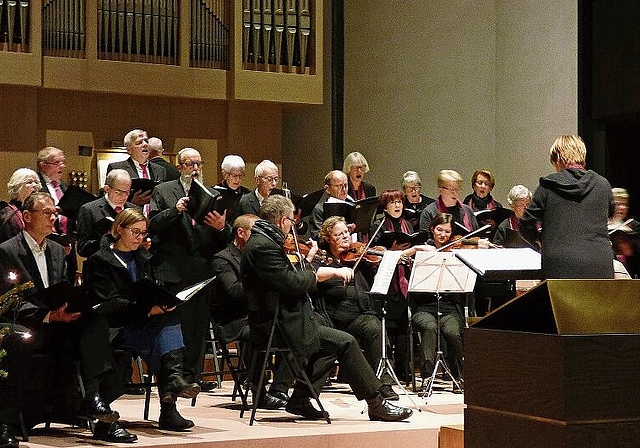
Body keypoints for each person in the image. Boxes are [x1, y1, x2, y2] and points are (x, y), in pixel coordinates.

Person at [241, 194, 412, 422]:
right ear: (283, 220)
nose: (292, 226)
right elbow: (291, 282)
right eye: (291, 221)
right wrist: (317, 273)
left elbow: (286, 279)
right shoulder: (264, 246)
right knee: (345, 342)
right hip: (276, 324)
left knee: (331, 344)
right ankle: (376, 403)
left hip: (283, 319)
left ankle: (300, 399)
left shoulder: (264, 242)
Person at [0, 192, 134, 443]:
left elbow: (63, 287)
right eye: (47, 213)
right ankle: (5, 422)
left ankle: (95, 401)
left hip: (59, 320)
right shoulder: (7, 251)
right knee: (17, 341)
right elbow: (9, 300)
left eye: (55, 213)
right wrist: (47, 315)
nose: (54, 218)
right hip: (29, 322)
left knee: (97, 324)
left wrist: (70, 307)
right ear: (27, 217)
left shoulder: (57, 250)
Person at [84, 208, 200, 431]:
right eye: (135, 232)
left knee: (169, 318)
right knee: (165, 327)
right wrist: (146, 311)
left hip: (142, 323)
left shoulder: (144, 258)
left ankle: (171, 395)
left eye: (143, 234)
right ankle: (170, 398)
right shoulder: (100, 260)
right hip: (115, 326)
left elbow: (151, 290)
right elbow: (106, 303)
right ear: (119, 229)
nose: (140, 238)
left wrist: (162, 303)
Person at [149, 147, 230, 390]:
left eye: (198, 164)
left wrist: (221, 228)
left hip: (201, 270)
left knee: (197, 325)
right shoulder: (164, 190)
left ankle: (193, 376)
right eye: (189, 164)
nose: (194, 169)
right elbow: (154, 224)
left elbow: (223, 240)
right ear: (179, 166)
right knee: (177, 325)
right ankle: (175, 376)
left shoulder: (214, 194)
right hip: (173, 268)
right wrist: (175, 211)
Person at [210, 213, 291, 409]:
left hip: (259, 315)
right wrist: (261, 278)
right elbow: (234, 292)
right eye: (255, 233)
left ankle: (279, 388)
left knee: (295, 330)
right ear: (240, 233)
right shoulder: (222, 259)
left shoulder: (259, 256)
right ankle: (258, 391)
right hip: (234, 320)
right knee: (261, 332)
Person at [315, 216, 398, 400]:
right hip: (332, 318)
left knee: (376, 328)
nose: (346, 237)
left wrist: (380, 258)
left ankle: (384, 384)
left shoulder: (358, 257)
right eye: (339, 234)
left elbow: (375, 273)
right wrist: (337, 271)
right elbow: (314, 276)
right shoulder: (323, 258)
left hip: (358, 316)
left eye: (346, 232)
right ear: (328, 238)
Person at [520, 135, 615, 279]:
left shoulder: (548, 186)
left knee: (560, 303)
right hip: (599, 263)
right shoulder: (602, 184)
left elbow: (525, 224)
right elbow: (611, 213)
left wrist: (542, 240)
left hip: (559, 264)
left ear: (557, 158)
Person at [411, 213, 465, 386]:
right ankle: (427, 376)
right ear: (432, 229)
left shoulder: (456, 253)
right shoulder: (422, 251)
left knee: (451, 331)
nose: (443, 235)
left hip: (449, 306)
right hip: (424, 306)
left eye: (447, 232)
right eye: (439, 230)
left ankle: (460, 375)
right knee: (429, 327)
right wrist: (416, 253)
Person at [36, 147, 77, 283]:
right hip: (47, 243)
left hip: (68, 245)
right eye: (57, 163)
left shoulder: (65, 187)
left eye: (63, 162)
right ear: (43, 165)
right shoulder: (36, 186)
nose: (62, 166)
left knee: (68, 284)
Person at [77, 169, 138, 257]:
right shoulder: (89, 210)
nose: (124, 196)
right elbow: (82, 248)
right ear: (107, 189)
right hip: (101, 266)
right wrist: (107, 240)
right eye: (119, 192)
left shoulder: (134, 210)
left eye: (127, 192)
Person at [107, 129, 167, 207]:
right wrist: (132, 203)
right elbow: (109, 198)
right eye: (139, 142)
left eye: (146, 141)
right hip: (129, 216)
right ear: (129, 150)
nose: (145, 144)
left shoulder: (160, 170)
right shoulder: (117, 168)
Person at [419, 170, 479, 238]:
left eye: (457, 189)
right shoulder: (429, 212)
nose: (455, 193)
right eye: (451, 189)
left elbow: (476, 236)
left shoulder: (467, 210)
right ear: (440, 190)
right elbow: (425, 240)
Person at [309, 170, 355, 237]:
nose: (344, 189)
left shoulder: (353, 203)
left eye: (346, 185)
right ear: (327, 189)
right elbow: (317, 236)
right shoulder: (319, 209)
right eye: (339, 186)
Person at [1, 168, 41, 243]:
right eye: (29, 182)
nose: (35, 185)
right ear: (17, 187)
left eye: (36, 182)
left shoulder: (36, 211)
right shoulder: (8, 214)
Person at [214, 155, 251, 223]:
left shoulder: (247, 194)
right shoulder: (214, 193)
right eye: (234, 176)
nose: (237, 179)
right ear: (225, 175)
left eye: (240, 175)